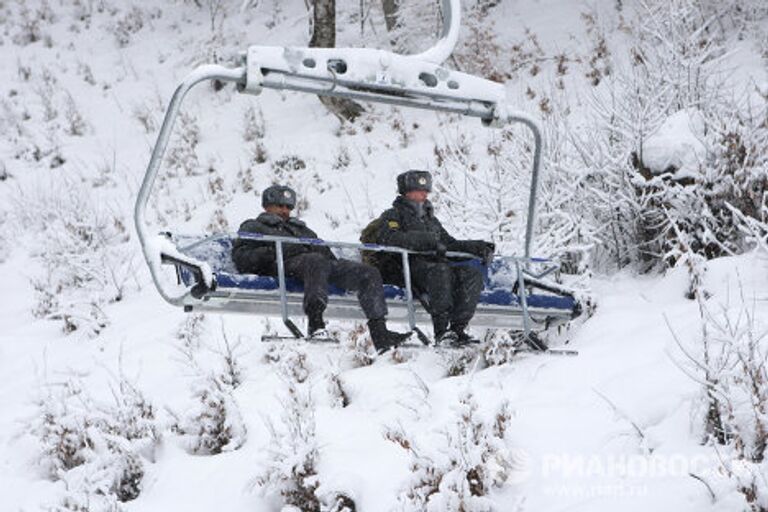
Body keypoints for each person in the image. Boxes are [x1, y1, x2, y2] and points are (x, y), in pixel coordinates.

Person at [232, 184, 410, 353]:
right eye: (280, 206)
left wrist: (339, 266)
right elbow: (242, 257)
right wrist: (271, 252)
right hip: (282, 265)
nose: (285, 211)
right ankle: (315, 322)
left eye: (288, 207)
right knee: (315, 261)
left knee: (368, 273)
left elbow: (323, 250)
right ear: (267, 206)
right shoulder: (254, 226)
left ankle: (380, 332)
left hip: (317, 266)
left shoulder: (301, 229)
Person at [375, 170, 495, 345]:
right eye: (419, 189)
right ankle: (441, 331)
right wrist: (426, 241)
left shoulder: (431, 220)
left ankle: (457, 330)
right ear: (407, 191)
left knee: (471, 273)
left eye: (426, 190)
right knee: (440, 271)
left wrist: (477, 247)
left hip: (435, 268)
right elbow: (390, 239)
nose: (425, 194)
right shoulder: (393, 215)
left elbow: (449, 243)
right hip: (407, 268)